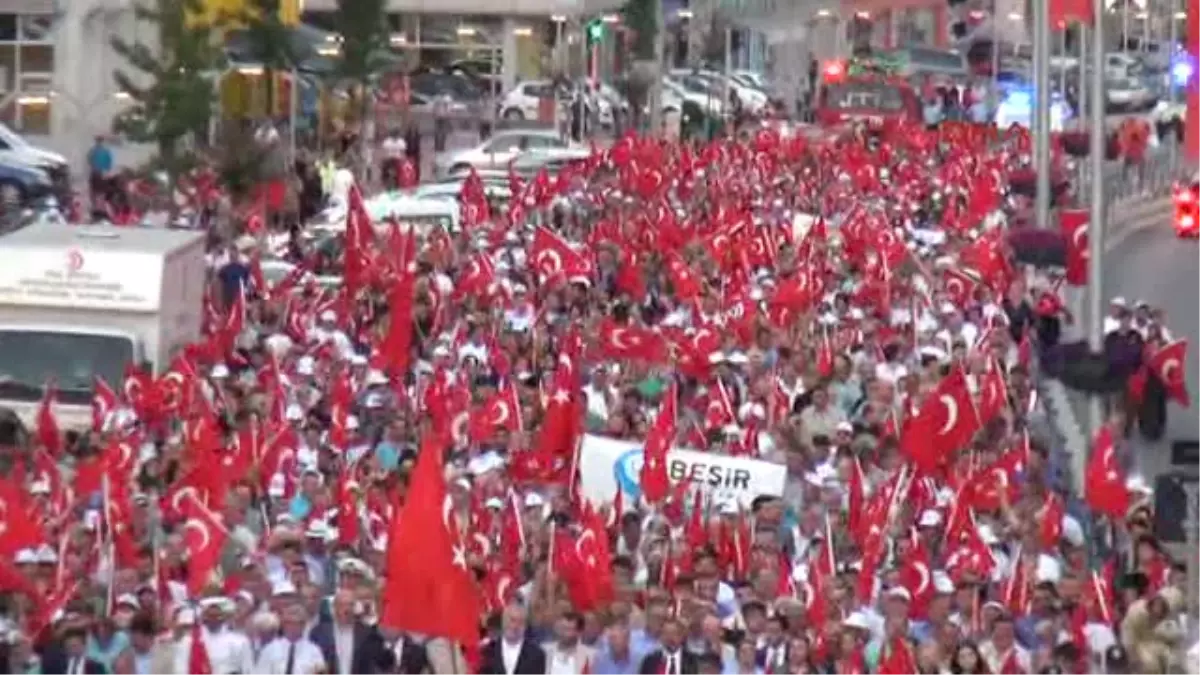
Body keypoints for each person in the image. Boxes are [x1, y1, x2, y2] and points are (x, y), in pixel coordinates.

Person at [308, 590, 387, 675]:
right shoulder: (319, 632)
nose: (347, 609)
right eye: (342, 605)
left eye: (350, 604)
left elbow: (372, 666)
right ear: (334, 607)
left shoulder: (367, 634)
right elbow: (314, 664)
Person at [254, 604, 324, 675]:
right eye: (289, 622)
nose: (293, 627)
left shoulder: (314, 651)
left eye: (298, 623)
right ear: (283, 624)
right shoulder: (270, 649)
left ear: (304, 625)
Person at [480, 605, 546, 675]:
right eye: (512, 620)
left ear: (526, 626)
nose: (516, 626)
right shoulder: (487, 651)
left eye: (521, 622)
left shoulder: (537, 655)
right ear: (503, 621)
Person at [87, 136, 114, 206]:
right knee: (103, 189)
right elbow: (109, 162)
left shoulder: (93, 150)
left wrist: (93, 166)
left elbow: (89, 160)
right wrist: (108, 171)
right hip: (102, 172)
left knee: (93, 188)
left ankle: (95, 203)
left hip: (97, 171)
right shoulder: (106, 151)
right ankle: (101, 203)